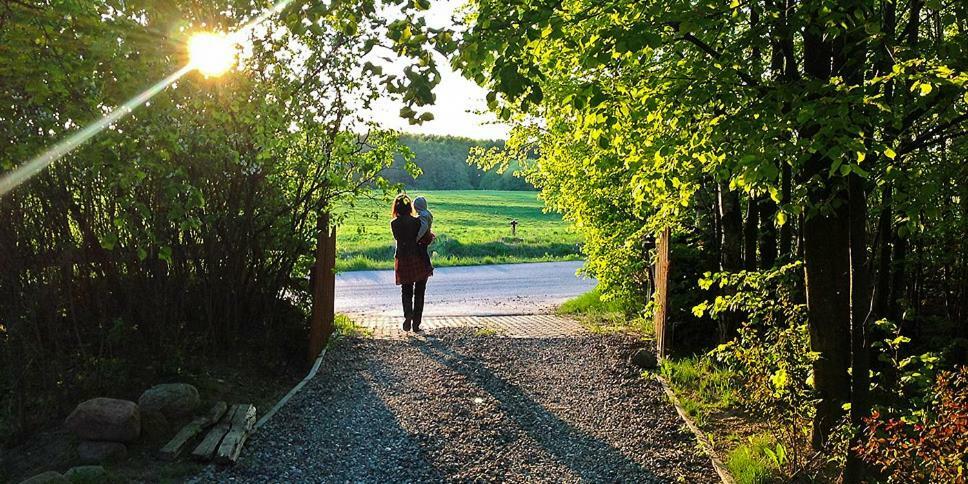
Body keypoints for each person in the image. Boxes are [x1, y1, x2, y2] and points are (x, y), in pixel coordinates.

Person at [390, 194, 433, 332]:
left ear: (396, 207)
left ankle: (408, 316)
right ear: (410, 207)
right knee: (420, 292)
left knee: (406, 290)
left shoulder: (394, 224)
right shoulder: (417, 221)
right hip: (418, 257)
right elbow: (422, 235)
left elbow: (398, 238)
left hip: (403, 258)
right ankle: (416, 324)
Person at [413, 196, 435, 267]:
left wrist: (417, 237)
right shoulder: (427, 213)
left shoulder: (423, 215)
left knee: (422, 252)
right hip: (427, 235)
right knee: (423, 251)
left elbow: (423, 227)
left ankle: (426, 267)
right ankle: (425, 267)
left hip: (423, 237)